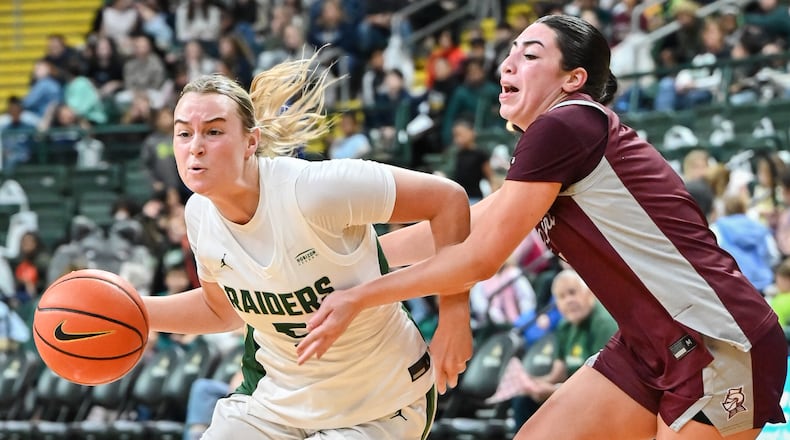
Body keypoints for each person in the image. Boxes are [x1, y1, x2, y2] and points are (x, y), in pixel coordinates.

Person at [298, 14, 788, 440]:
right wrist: (355, 263)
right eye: (509, 53)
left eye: (529, 55)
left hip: (717, 340)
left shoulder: (564, 125)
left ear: (573, 78)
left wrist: (358, 295)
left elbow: (480, 258)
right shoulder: (560, 139)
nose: (506, 66)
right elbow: (472, 223)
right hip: (650, 345)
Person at [140, 52, 474, 440]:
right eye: (184, 133)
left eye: (213, 132)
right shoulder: (199, 215)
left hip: (380, 405)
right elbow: (222, 311)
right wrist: (132, 309)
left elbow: (448, 200)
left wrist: (454, 315)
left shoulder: (313, 190)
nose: (195, 146)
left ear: (251, 142)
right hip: (275, 406)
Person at [487, 269, 618, 427]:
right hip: (573, 391)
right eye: (562, 297)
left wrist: (555, 391)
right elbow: (559, 371)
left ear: (589, 294)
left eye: (572, 292)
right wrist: (533, 384)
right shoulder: (564, 325)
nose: (569, 300)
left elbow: (601, 383)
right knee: (523, 400)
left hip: (601, 395)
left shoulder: (603, 323)